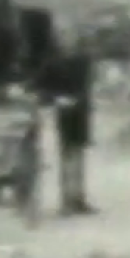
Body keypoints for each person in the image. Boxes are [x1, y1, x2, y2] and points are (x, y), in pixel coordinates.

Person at [34, 27, 97, 216]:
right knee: (67, 153)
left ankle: (77, 197)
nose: (69, 42)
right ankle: (67, 198)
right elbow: (42, 88)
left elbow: (87, 84)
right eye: (65, 37)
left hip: (81, 109)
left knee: (78, 153)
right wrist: (57, 99)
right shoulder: (53, 62)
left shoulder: (83, 60)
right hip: (65, 111)